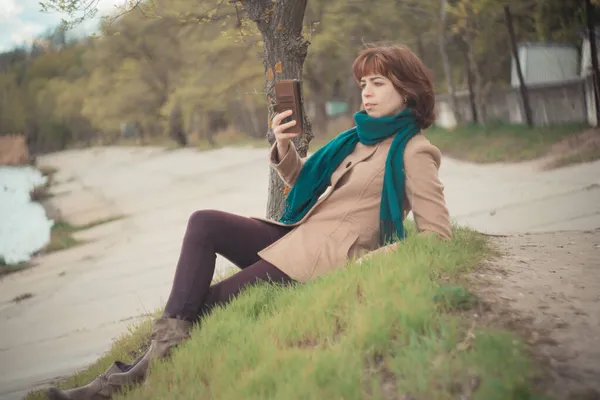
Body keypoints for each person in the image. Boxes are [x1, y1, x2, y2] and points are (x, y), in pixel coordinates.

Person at [45, 43, 451, 400]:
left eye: (378, 82)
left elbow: (437, 237)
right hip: (295, 235)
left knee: (202, 306)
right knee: (204, 222)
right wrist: (283, 147)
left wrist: (371, 260)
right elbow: (306, 185)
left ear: (407, 89)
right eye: (363, 83)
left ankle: (114, 385)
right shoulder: (359, 137)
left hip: (318, 261)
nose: (367, 92)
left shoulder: (414, 151)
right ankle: (125, 378)